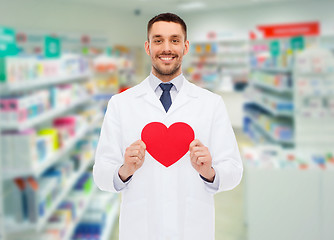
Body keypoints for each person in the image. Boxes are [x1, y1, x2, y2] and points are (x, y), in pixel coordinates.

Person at [93, 12, 243, 240]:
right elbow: (101, 173)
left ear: (185, 47)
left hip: (192, 228)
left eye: (175, 40)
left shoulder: (211, 104)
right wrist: (125, 171)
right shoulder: (121, 103)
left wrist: (209, 173)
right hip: (140, 229)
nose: (167, 48)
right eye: (158, 40)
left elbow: (233, 170)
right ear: (147, 46)